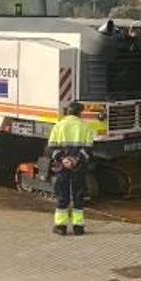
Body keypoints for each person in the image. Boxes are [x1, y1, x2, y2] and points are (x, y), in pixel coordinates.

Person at [47, 101, 94, 236]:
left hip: (62, 167)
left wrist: (63, 159)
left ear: (67, 112)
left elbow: (51, 148)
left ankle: (61, 227)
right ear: (79, 113)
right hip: (79, 167)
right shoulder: (85, 127)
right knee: (78, 195)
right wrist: (76, 159)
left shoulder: (59, 126)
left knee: (62, 195)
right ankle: (78, 227)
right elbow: (89, 149)